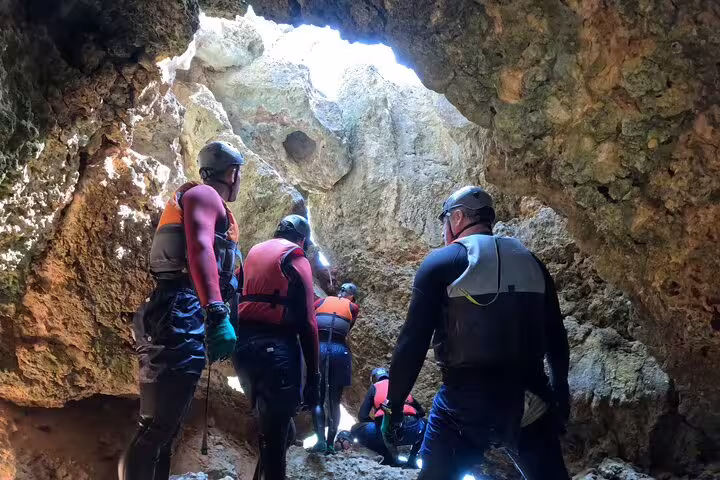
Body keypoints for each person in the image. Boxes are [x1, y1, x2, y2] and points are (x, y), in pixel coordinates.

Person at [381, 186, 570, 480]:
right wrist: (560, 393)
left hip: (464, 404)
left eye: (445, 221)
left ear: (457, 218)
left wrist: (394, 405)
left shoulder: (441, 263)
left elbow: (412, 343)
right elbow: (556, 336)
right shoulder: (532, 262)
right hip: (530, 399)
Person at [120, 141, 245, 480]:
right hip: (176, 308)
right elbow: (199, 248)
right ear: (232, 173)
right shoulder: (203, 196)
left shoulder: (211, 205)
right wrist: (217, 312)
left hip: (182, 311)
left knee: (168, 430)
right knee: (155, 429)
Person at [233, 214, 321, 480]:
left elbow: (234, 290)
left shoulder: (253, 255)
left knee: (275, 429)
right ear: (302, 240)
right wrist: (314, 376)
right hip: (275, 351)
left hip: (243, 349)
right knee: (275, 435)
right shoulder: (296, 258)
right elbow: (308, 322)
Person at [308, 282, 360, 454]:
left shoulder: (321, 301)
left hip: (319, 348)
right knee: (334, 401)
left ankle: (320, 440)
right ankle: (330, 444)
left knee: (318, 398)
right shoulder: (353, 307)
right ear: (352, 295)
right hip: (339, 350)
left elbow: (311, 319)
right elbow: (348, 326)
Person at [352, 367, 425, 467]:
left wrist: (376, 424)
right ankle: (412, 460)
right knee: (426, 424)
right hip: (412, 431)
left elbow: (362, 416)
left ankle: (388, 456)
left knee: (355, 429)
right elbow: (421, 412)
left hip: (384, 432)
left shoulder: (375, 387)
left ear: (373, 379)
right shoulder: (401, 386)